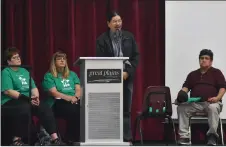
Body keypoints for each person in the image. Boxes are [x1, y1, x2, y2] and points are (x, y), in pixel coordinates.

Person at [1, 47, 65, 146]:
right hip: (11, 101)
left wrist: (36, 98)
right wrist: (28, 99)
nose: (18, 59)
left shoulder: (25, 71)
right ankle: (16, 140)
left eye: (18, 56)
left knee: (44, 108)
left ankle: (54, 139)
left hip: (28, 99)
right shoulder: (6, 72)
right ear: (9, 61)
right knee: (24, 107)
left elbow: (34, 88)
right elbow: (8, 91)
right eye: (15, 57)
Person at [96, 10, 140, 143]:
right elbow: (100, 59)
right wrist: (114, 74)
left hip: (126, 77)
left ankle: (127, 138)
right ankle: (110, 137)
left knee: (126, 109)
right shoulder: (101, 39)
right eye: (114, 21)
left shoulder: (129, 36)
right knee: (110, 108)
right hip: (109, 78)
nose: (117, 24)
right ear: (108, 23)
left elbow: (136, 56)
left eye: (119, 21)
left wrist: (127, 72)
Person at [177, 49, 226, 146]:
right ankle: (185, 137)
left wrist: (217, 98)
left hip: (212, 103)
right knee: (181, 107)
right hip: (195, 104)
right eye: (201, 58)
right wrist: (181, 95)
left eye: (206, 58)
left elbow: (223, 88)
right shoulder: (192, 74)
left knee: (213, 107)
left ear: (211, 61)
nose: (203, 60)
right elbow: (186, 87)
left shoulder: (217, 73)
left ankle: (212, 136)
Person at [42, 51, 81, 145]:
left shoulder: (72, 74)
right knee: (74, 110)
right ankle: (71, 138)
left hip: (74, 100)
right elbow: (53, 92)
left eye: (64, 59)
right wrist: (69, 98)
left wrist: (75, 97)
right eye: (59, 59)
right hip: (57, 102)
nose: (62, 60)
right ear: (54, 62)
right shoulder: (49, 75)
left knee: (83, 109)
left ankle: (75, 138)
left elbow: (79, 89)